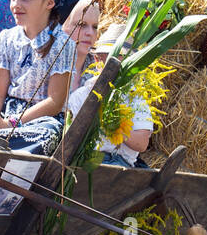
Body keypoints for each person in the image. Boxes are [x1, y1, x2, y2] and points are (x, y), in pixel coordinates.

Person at [0, 0, 78, 155]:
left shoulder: (63, 44)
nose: (15, 4)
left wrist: (11, 124)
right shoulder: (6, 38)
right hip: (6, 111)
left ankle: (2, 152)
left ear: (49, 3)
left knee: (48, 135)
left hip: (39, 118)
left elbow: (54, 102)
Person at [66, 23, 153, 168]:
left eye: (123, 64)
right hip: (85, 157)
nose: (116, 70)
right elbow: (70, 135)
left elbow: (142, 143)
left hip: (118, 161)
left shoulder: (135, 100)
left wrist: (117, 127)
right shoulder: (82, 95)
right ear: (97, 60)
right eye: (108, 62)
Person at [62, 0, 101, 92]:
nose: (90, 33)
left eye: (95, 27)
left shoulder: (99, 72)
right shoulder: (48, 62)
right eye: (82, 24)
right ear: (65, 26)